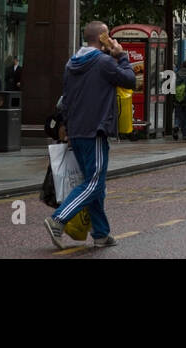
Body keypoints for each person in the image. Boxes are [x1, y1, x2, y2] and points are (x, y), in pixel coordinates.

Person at [43, 21, 137, 249]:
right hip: (95, 129)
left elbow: (66, 97)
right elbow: (130, 80)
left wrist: (64, 124)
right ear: (103, 37)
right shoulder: (103, 62)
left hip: (76, 129)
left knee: (95, 183)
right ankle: (58, 220)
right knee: (94, 183)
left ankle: (101, 233)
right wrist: (122, 56)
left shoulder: (71, 63)